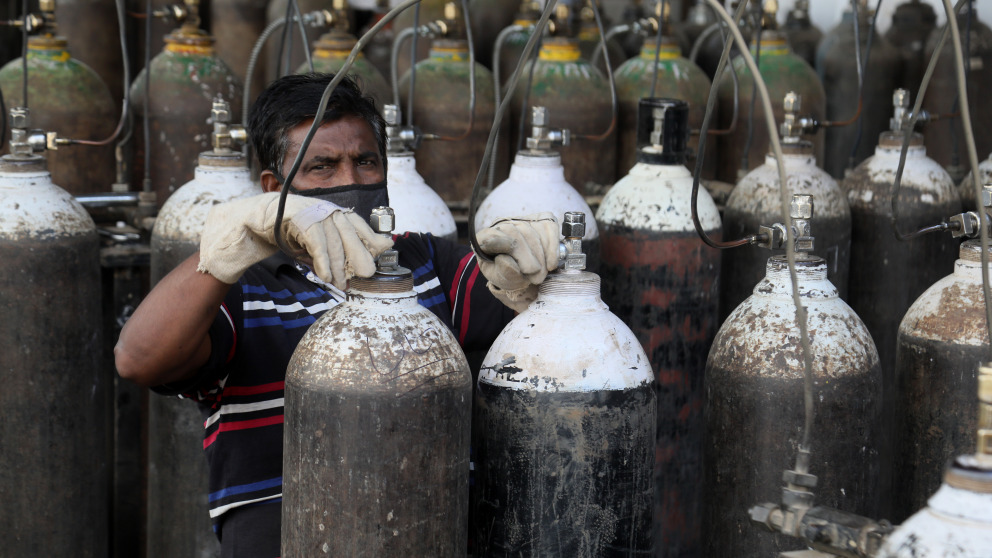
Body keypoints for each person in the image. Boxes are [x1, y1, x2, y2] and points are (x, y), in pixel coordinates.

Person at [115, 72, 562, 557]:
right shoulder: (244, 291)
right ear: (274, 190)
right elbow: (138, 360)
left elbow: (547, 342)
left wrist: (534, 275)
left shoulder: (428, 265)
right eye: (322, 167)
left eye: (365, 161)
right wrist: (223, 253)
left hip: (427, 531)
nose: (350, 181)